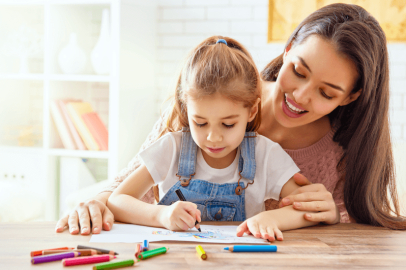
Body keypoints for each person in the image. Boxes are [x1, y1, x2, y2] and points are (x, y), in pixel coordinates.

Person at [56, 3, 406, 236]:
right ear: (287, 50)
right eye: (298, 71)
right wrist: (96, 203)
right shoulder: (214, 94)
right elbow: (125, 185)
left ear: (351, 96)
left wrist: (329, 217)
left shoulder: (340, 152)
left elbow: (349, 234)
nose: (301, 95)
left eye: (327, 93)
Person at [107, 37, 317, 241]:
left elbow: (308, 209)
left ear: (252, 111)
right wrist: (160, 215)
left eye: (228, 124)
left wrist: (273, 218)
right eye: (200, 123)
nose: (213, 138)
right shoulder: (172, 148)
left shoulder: (265, 154)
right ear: (186, 109)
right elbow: (117, 201)